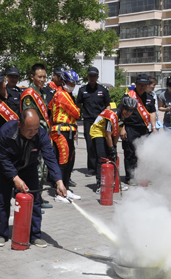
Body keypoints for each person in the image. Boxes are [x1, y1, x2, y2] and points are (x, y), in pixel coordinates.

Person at [0, 109, 67, 248]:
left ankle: (35, 235)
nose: (33, 132)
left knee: (35, 201)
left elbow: (50, 157)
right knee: (2, 200)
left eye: (36, 129)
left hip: (29, 168)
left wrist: (59, 181)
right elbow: (2, 158)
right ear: (20, 124)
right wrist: (15, 177)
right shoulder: (6, 131)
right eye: (29, 129)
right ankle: (0, 234)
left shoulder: (41, 134)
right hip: (6, 168)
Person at [20, 63, 53, 208]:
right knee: (35, 171)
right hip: (34, 137)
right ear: (32, 77)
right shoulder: (29, 95)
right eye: (40, 77)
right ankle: (33, 201)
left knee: (43, 170)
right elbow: (29, 119)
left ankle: (38, 198)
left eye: (45, 76)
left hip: (43, 137)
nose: (43, 79)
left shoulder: (41, 93)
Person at [50, 70, 82, 202]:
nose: (72, 85)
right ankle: (59, 192)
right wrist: (77, 110)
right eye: (70, 83)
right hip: (60, 130)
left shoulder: (68, 95)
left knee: (69, 161)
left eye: (74, 83)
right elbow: (76, 113)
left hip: (68, 130)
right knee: (63, 161)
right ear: (63, 82)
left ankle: (66, 189)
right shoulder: (62, 94)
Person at [91, 97, 134, 193]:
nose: (128, 112)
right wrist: (111, 148)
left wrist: (114, 147)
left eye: (131, 110)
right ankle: (100, 185)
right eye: (127, 109)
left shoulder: (123, 117)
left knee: (112, 157)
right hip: (98, 131)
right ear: (122, 107)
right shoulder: (112, 116)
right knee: (102, 158)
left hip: (107, 134)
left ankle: (115, 183)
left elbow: (117, 132)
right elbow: (108, 135)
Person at [121, 73, 156, 185]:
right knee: (130, 153)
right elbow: (121, 114)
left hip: (144, 129)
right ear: (135, 84)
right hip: (131, 128)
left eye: (144, 84)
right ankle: (130, 177)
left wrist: (154, 128)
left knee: (143, 154)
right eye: (140, 84)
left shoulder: (149, 98)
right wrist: (123, 128)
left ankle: (142, 176)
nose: (142, 86)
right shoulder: (128, 96)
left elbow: (152, 113)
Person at [76, 66, 110, 175]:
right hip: (88, 121)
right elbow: (78, 105)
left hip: (100, 122)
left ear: (97, 77)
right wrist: (76, 119)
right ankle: (91, 169)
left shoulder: (103, 90)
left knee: (100, 145)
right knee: (90, 145)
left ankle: (101, 165)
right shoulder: (82, 90)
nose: (92, 78)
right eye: (90, 75)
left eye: (94, 76)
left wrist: (107, 118)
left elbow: (108, 105)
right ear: (87, 76)